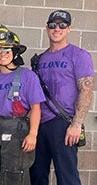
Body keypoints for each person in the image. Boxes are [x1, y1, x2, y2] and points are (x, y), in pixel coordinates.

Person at [29, 10, 94, 185]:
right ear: (47, 28)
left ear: (69, 29)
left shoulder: (78, 55)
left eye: (62, 25)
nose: (57, 29)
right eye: (52, 25)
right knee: (37, 174)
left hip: (63, 124)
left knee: (67, 177)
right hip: (39, 124)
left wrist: (76, 124)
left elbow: (87, 90)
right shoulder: (39, 59)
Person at [0, 24, 46, 185]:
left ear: (15, 52)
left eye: (6, 50)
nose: (2, 55)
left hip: (18, 131)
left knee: (14, 174)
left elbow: (36, 108)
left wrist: (33, 135)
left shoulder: (28, 77)